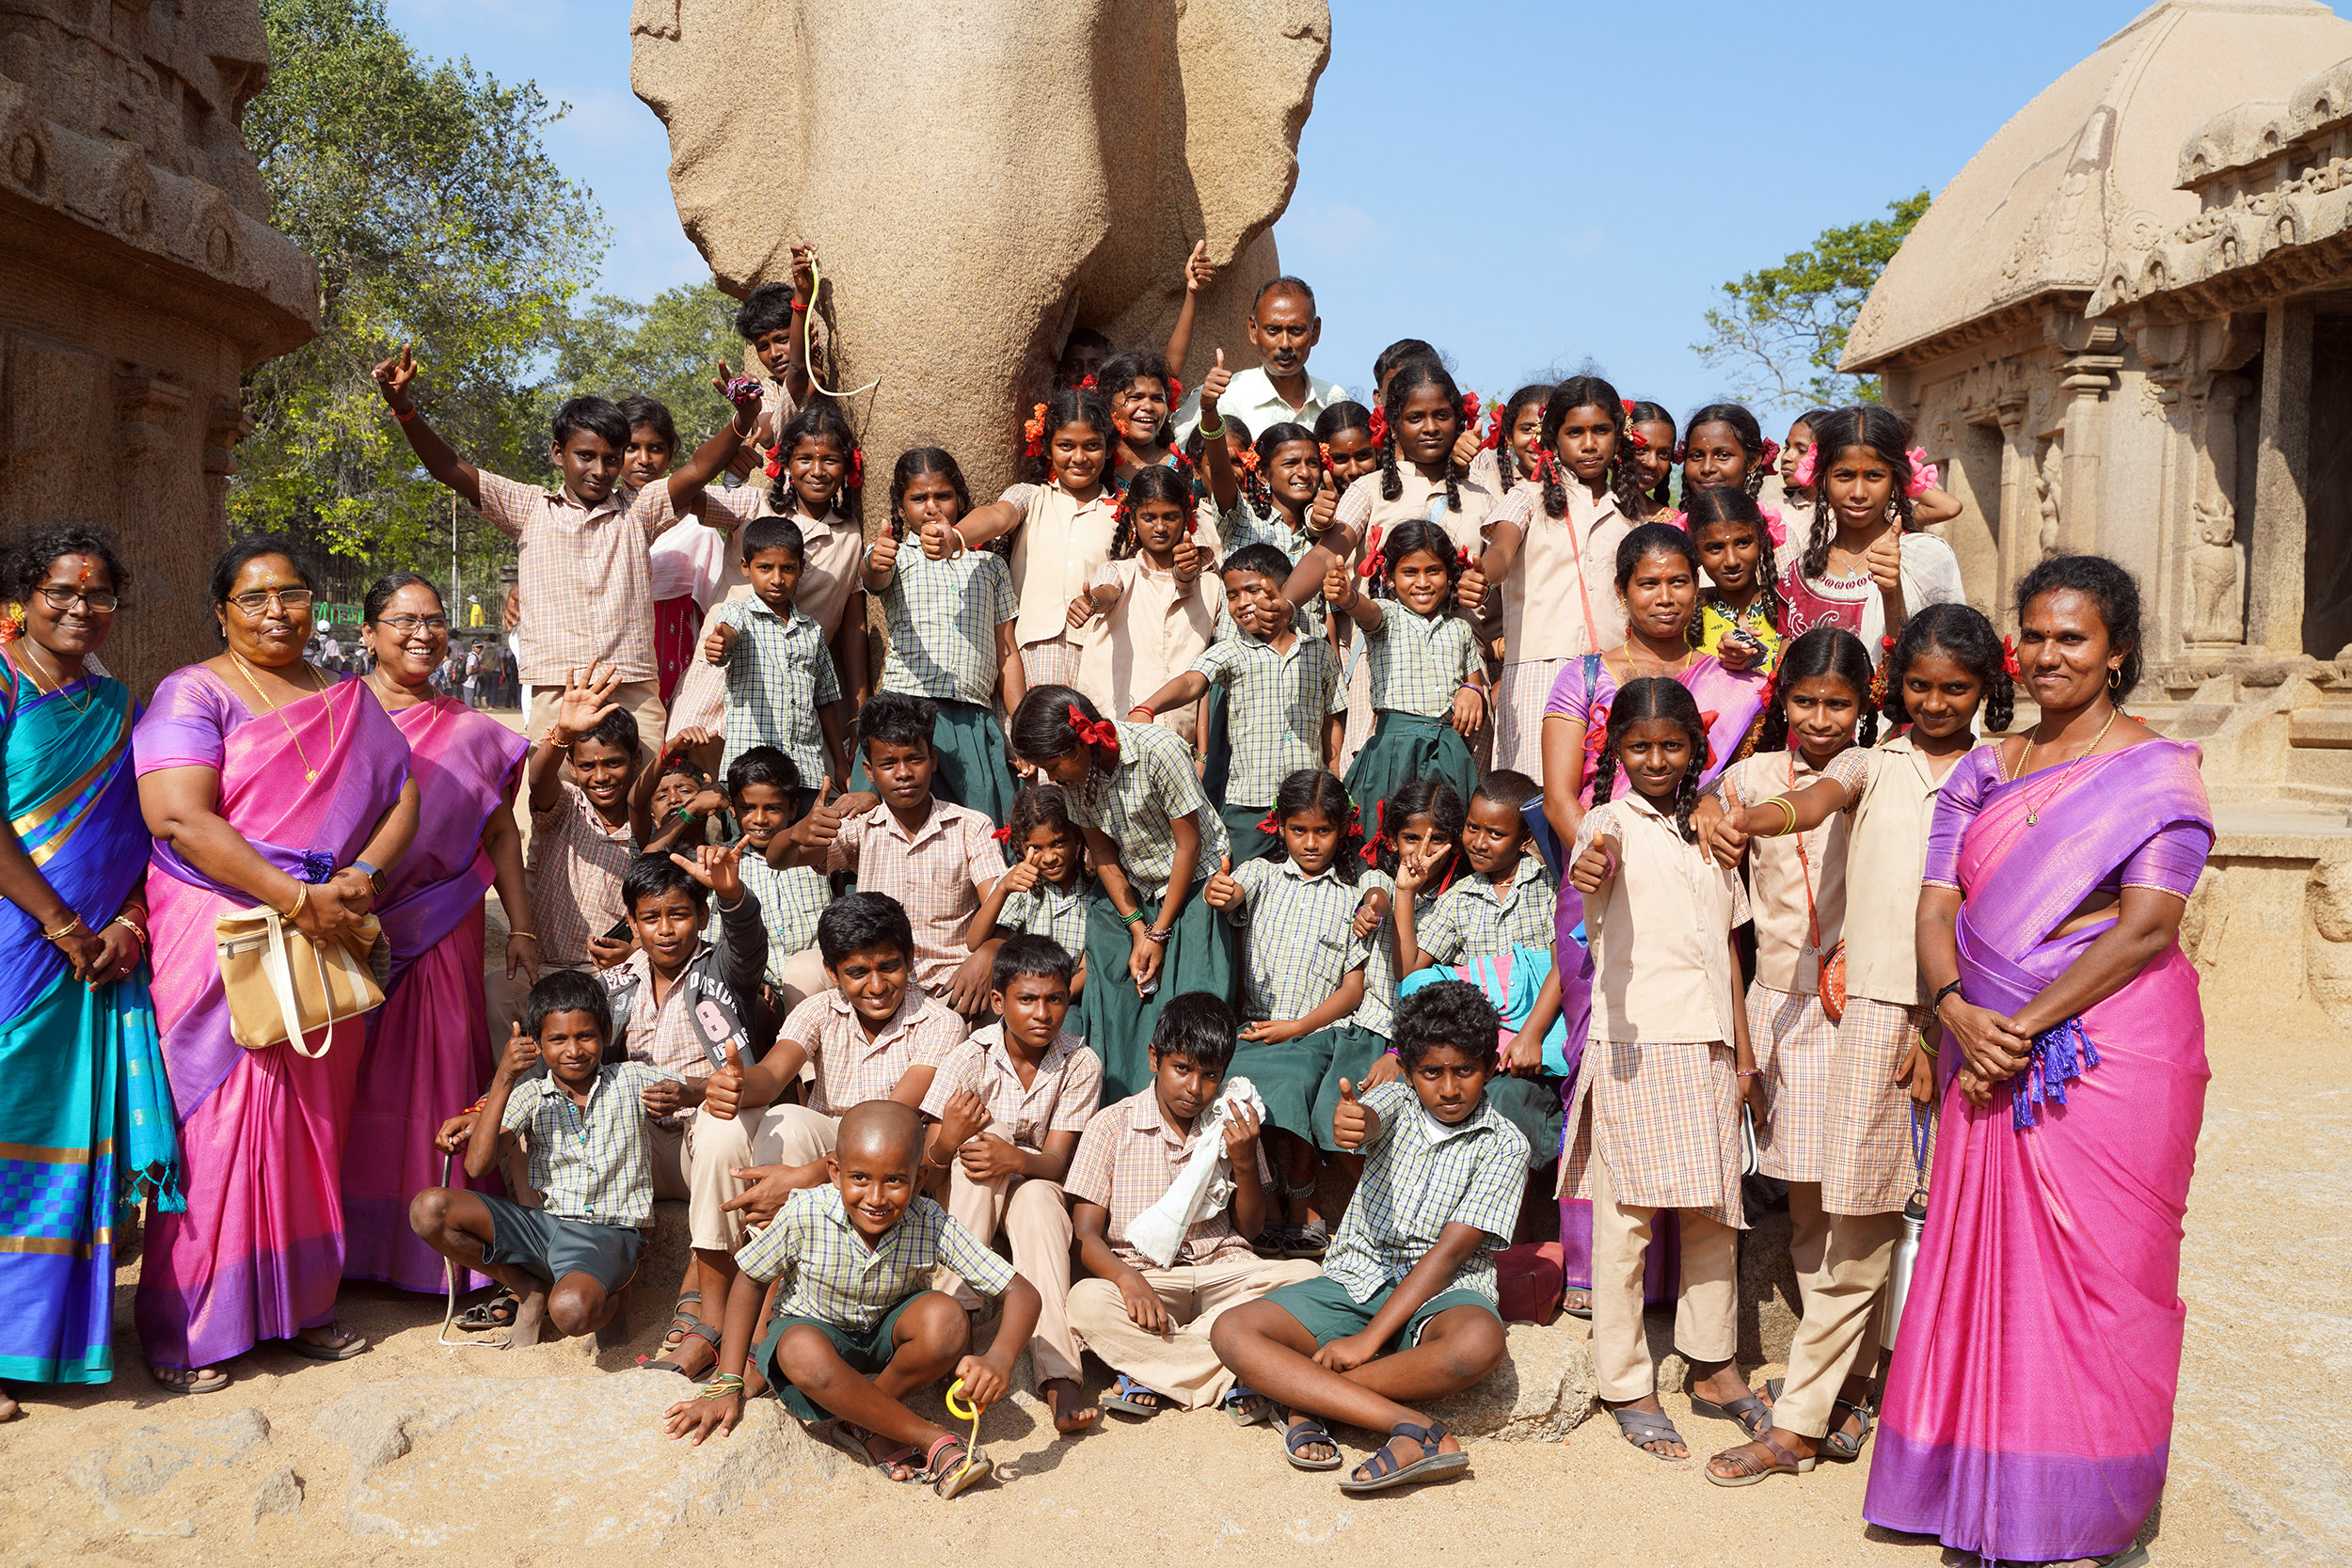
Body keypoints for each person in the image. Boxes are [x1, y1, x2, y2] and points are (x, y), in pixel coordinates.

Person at [1865, 558, 2212, 1567]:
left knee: (2103, 1270)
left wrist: (2015, 1026)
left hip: (2109, 1048)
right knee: (1985, 1267)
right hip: (1983, 1044)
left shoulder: (2155, 772)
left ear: (2118, 651)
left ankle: (2081, 1501)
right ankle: (1975, 1485)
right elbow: (1936, 905)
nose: (2050, 654)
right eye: (2036, 635)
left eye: (2075, 637)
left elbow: (2146, 927)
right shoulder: (1981, 767)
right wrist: (1955, 1011)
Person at [1701, 604, 2006, 1485]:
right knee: (1858, 1221)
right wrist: (1752, 819)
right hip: (1876, 1013)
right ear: (1894, 688)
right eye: (1919, 685)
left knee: (1909, 1225)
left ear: (1989, 688)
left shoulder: (2002, 770)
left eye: (1956, 687)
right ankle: (1816, 1410)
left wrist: (1932, 1023)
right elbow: (1815, 795)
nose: (1938, 701)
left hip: (1959, 1019)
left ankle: (1867, 1395)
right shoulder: (1879, 763)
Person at [134, 536, 421, 1392]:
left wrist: (362, 876)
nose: (275, 612)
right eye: (253, 598)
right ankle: (190, 1325)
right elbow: (179, 817)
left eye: (290, 594)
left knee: (309, 1122)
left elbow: (401, 795)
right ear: (221, 610)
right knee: (216, 1127)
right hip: (222, 930)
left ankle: (300, 1301)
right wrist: (295, 899)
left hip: (323, 925)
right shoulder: (193, 690)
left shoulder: (345, 700)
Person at [1210, 981, 1521, 1494]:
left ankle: (1305, 1401)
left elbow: (1449, 1257)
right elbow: (1369, 1119)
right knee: (1233, 1331)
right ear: (1409, 1070)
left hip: (1442, 1293)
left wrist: (1367, 1341)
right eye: (1431, 1073)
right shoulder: (1398, 1100)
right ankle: (1414, 1428)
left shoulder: (1505, 1145)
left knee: (1478, 1342)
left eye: (1464, 1070)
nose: (1448, 1088)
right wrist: (1353, 1121)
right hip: (1358, 1275)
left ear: (1488, 1066)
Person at [0, 527, 180, 1416]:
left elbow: (132, 830)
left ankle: (42, 1339)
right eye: (61, 591)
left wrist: (130, 920)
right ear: (25, 594)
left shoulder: (114, 701)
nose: (80, 608)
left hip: (100, 955)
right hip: (19, 946)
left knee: (66, 1147)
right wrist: (61, 922)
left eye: (100, 593)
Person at [373, 345, 755, 753]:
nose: (599, 470)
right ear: (559, 453)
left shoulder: (640, 510)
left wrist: (741, 422)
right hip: (557, 687)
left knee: (639, 801)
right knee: (555, 802)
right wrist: (405, 409)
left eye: (610, 459)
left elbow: (696, 470)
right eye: (585, 456)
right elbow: (449, 468)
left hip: (631, 686)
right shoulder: (528, 508)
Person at [1563, 676, 1758, 1461]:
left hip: (1709, 1043)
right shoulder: (1609, 823)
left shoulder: (1710, 832)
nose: (1655, 759)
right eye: (1638, 747)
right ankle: (1626, 1380)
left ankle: (1713, 1363)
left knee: (1715, 1215)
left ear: (1693, 749)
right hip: (1635, 1047)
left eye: (1670, 745)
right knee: (1628, 1222)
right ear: (1615, 752)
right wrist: (1589, 868)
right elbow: (1590, 864)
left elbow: (1728, 951)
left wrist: (1744, 1053)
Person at [660, 1100, 1041, 1501]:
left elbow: (1022, 1292)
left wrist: (1000, 1357)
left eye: (895, 1180)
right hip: (812, 1349)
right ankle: (928, 1436)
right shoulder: (806, 1213)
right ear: (835, 1173)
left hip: (881, 1347)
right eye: (859, 1178)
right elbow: (751, 1281)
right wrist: (728, 1382)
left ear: (920, 1177)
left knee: (946, 1320)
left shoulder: (929, 1221)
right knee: (799, 1348)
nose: (876, 1197)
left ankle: (865, 1422)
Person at [340, 574, 536, 1301]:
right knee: (349, 1087)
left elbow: (500, 833)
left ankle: (436, 1250)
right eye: (402, 620)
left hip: (442, 926)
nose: (422, 633)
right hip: (342, 927)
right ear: (368, 631)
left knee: (433, 1081)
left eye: (435, 620)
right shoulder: (335, 716)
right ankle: (348, 1246)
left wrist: (519, 924)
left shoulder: (477, 732)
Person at [1065, 991, 1318, 1420]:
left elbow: (1252, 1230)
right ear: (1154, 1059)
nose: (1194, 1088)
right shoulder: (1111, 1125)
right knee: (1086, 1301)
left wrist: (1243, 1160)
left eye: (1210, 1075)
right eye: (1181, 1069)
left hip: (1225, 1274)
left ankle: (1152, 1371)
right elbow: (1086, 1234)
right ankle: (1239, 1367)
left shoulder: (1231, 1126)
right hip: (1147, 1280)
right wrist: (1127, 1280)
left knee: (1308, 1278)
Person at [409, 973, 690, 1346]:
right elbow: (477, 1166)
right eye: (557, 1039)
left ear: (606, 1035)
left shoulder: (631, 1078)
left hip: (611, 1233)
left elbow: (688, 1089)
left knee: (572, 1311)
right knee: (429, 1209)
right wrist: (505, 1076)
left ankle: (612, 1302)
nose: (573, 1050)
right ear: (538, 1045)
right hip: (545, 1227)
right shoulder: (529, 1094)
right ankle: (528, 1289)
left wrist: (695, 1092)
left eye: (585, 1036)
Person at [691, 893, 965, 1228]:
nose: (877, 986)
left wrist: (802, 1177)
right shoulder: (819, 1010)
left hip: (887, 1151)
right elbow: (773, 1074)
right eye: (858, 972)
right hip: (826, 1141)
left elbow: (888, 1118)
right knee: (785, 1120)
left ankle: (769, 1270)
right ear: (832, 973)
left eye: (889, 967)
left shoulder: (939, 1024)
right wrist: (738, 1084)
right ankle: (752, 1261)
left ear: (909, 958)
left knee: (798, 1129)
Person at [919, 935, 1103, 1434]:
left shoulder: (1079, 1063)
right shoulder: (969, 1056)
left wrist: (1014, 1159)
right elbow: (933, 1158)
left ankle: (1059, 1373)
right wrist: (964, 1140)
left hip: (1031, 1190)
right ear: (998, 1002)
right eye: (1027, 999)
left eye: (1055, 998)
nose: (1042, 1013)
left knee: (1042, 1202)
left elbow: (1058, 1164)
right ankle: (957, 1311)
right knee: (988, 1133)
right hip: (967, 1198)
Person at [1010, 687, 1232, 1100]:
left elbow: (1189, 846)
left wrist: (1159, 933)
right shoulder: (1075, 785)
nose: (1052, 778)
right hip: (1131, 891)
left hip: (1194, 884)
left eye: (1053, 765)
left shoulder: (1157, 750)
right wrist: (1135, 928)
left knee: (1188, 1002)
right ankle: (1116, 1103)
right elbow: (1102, 852)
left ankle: (1181, 1105)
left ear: (1081, 744)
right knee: (1114, 990)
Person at [1203, 769, 1376, 1258]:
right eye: (1299, 830)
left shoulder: (1353, 892)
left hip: (1317, 1027)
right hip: (1258, 1024)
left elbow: (1354, 989)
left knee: (1301, 1075)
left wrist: (1300, 1027)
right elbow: (1233, 894)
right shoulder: (1260, 874)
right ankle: (1265, 1192)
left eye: (1323, 831)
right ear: (1280, 827)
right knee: (1230, 1077)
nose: (1310, 843)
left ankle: (1302, 1193)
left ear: (1343, 830)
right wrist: (1222, 891)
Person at [1466, 376, 1641, 783]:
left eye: (1601, 431)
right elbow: (1502, 551)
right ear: (1554, 439)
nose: (1589, 444)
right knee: (1532, 799)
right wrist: (1484, 575)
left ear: (1620, 434)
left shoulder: (1633, 512)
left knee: (1605, 795)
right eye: (1574, 432)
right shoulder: (1527, 497)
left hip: (1617, 673)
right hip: (1537, 673)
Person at [784, 692, 1002, 1013]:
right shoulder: (863, 827)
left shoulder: (972, 827)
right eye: (888, 764)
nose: (903, 773)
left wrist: (989, 951)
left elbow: (1002, 905)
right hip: (874, 979)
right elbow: (781, 857)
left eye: (915, 759)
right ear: (869, 772)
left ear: (933, 760)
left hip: (949, 984)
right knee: (801, 971)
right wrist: (795, 833)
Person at [1131, 542, 1343, 867]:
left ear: (1285, 592)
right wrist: (1148, 707)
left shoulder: (1319, 653)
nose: (1242, 603)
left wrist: (1334, 770)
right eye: (1232, 595)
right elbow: (1192, 681)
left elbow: (1331, 718)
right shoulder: (1231, 652)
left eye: (1253, 591)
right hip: (1249, 805)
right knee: (1241, 890)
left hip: (1307, 805)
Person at [862, 448, 1024, 823]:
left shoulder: (990, 565)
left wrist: (1021, 726)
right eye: (918, 499)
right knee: (891, 826)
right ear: (902, 511)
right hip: (903, 715)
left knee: (979, 824)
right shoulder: (896, 556)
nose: (932, 507)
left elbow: (1007, 653)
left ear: (960, 501)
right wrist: (875, 560)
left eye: (943, 496)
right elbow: (874, 576)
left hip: (971, 719)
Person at [1320, 519, 1487, 832]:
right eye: (1410, 572)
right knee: (1382, 835)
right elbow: (1366, 611)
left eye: (1433, 570)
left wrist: (1472, 690)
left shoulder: (1460, 629)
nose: (1422, 582)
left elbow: (1475, 683)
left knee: (1443, 835)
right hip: (1392, 752)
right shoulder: (1388, 615)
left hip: (1447, 754)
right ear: (1391, 579)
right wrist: (1346, 597)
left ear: (1450, 576)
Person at [949, 385, 1120, 689]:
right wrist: (956, 536)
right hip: (1030, 656)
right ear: (1047, 448)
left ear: (1109, 449)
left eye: (1092, 445)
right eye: (1066, 445)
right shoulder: (1031, 497)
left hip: (1099, 657)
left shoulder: (1121, 514)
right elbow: (998, 515)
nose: (1079, 457)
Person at [1780, 404, 1965, 656]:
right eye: (1844, 476)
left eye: (1874, 476)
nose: (1858, 493)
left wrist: (1892, 593)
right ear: (1822, 479)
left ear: (1896, 481)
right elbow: (1784, 675)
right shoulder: (1801, 575)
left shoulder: (1927, 558)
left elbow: (1941, 664)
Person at [1071, 465, 1217, 745]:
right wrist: (1090, 602)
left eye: (1170, 517)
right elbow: (1106, 592)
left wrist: (1202, 751)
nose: (1160, 527)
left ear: (1186, 517)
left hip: (1179, 741)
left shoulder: (1211, 586)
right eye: (1149, 517)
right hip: (1115, 731)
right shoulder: (1119, 571)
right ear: (1134, 520)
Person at [703, 515, 849, 791]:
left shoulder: (812, 630)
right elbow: (727, 636)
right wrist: (720, 643)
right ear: (746, 567)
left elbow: (826, 700)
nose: (777, 579)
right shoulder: (738, 614)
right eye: (765, 568)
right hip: (750, 774)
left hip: (806, 772)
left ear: (802, 568)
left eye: (788, 568)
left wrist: (840, 763)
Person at [525, 664, 643, 974]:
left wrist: (632, 952)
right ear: (572, 768)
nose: (601, 777)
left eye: (614, 763)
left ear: (636, 761)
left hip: (613, 971)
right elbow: (538, 781)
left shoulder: (646, 828)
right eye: (588, 766)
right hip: (545, 967)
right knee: (497, 991)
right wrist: (564, 732)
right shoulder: (567, 806)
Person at [1169, 275, 1343, 446]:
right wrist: (1208, 409)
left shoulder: (1334, 400)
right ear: (1253, 329)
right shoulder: (1222, 398)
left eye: (1296, 330)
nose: (1285, 344)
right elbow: (1175, 459)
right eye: (1273, 330)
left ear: (1315, 331)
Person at [721, 747, 832, 1010]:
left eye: (772, 808)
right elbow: (717, 941)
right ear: (733, 809)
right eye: (748, 808)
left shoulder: (814, 855)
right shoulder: (724, 864)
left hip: (822, 985)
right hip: (761, 993)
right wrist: (750, 979)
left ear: (793, 808)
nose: (759, 819)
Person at [964, 784, 1092, 993]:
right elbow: (974, 941)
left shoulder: (1093, 890)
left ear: (1077, 837)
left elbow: (1088, 967)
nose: (1050, 857)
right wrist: (1002, 889)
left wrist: (1055, 998)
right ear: (1021, 847)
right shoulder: (1020, 885)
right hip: (1024, 996)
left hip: (1070, 997)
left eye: (1059, 842)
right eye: (1036, 848)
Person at [1685, 487, 1788, 680]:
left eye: (1742, 543)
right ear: (1696, 553)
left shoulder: (1790, 611)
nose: (1731, 561)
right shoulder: (1683, 620)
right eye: (1715, 548)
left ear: (1762, 541)